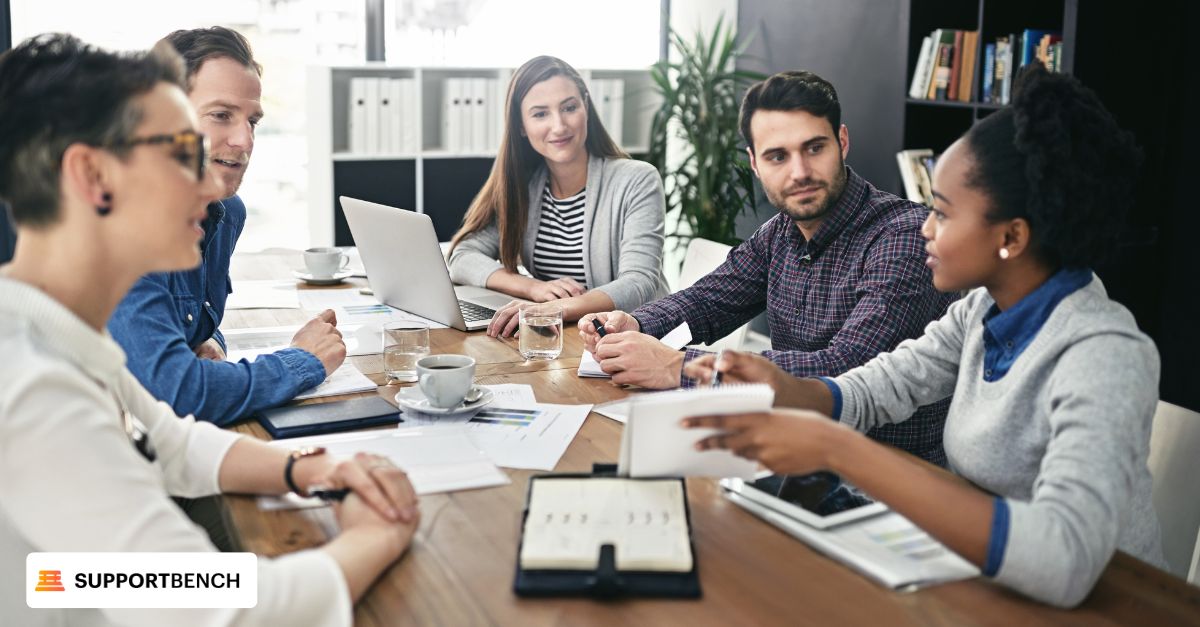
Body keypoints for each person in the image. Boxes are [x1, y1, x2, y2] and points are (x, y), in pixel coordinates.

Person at [682, 66, 1164, 608]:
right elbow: (880, 386)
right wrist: (777, 386)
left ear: (1011, 236)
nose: (926, 229)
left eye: (942, 212)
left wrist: (835, 447)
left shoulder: (1105, 354)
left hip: (1110, 606)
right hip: (991, 584)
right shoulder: (983, 309)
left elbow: (1065, 559)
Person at [0, 34, 418, 625]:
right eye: (177, 155)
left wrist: (306, 468)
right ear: (93, 177)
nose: (208, 183)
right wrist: (375, 538)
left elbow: (166, 439)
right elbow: (218, 613)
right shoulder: (28, 387)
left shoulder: (50, 332)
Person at [579, 70, 955, 465]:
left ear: (842, 143)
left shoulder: (904, 237)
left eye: (814, 148)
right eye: (778, 156)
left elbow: (849, 368)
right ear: (755, 164)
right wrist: (636, 323)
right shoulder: (780, 232)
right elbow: (709, 301)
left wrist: (678, 367)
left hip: (881, 476)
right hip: (791, 453)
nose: (800, 172)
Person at [107, 26, 345, 426]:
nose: (245, 139)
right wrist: (303, 361)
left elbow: (193, 326)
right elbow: (179, 394)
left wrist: (208, 343)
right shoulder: (123, 229)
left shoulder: (224, 212)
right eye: (221, 116)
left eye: (253, 120)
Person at [447, 55, 668, 337]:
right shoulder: (526, 187)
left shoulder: (637, 179)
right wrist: (532, 288)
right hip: (566, 341)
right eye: (540, 114)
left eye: (569, 108)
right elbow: (463, 257)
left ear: (585, 107)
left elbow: (639, 281)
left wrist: (557, 308)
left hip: (636, 339)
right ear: (521, 127)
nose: (560, 126)